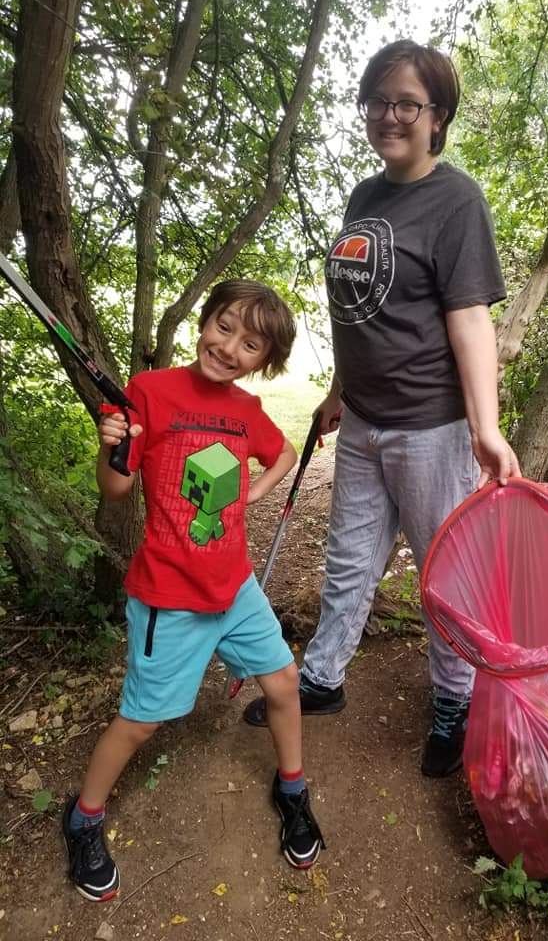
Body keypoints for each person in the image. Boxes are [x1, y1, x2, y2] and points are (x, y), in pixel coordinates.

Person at [244, 40, 520, 778]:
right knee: (349, 563)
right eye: (377, 100)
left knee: (444, 575)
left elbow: (470, 321)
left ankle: (455, 700)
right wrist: (338, 389)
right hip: (363, 420)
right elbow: (357, 309)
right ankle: (323, 680)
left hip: (432, 428)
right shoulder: (365, 197)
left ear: (438, 118)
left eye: (407, 103)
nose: (388, 115)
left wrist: (486, 428)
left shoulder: (457, 201)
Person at [63, 280, 325, 902]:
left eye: (250, 342)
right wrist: (112, 450)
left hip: (235, 588)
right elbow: (116, 490)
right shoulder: (149, 392)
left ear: (264, 362)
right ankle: (83, 817)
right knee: (142, 723)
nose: (230, 346)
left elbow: (282, 453)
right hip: (167, 598)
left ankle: (292, 788)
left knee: (285, 683)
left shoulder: (245, 411)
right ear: (204, 322)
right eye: (224, 326)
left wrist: (253, 496)